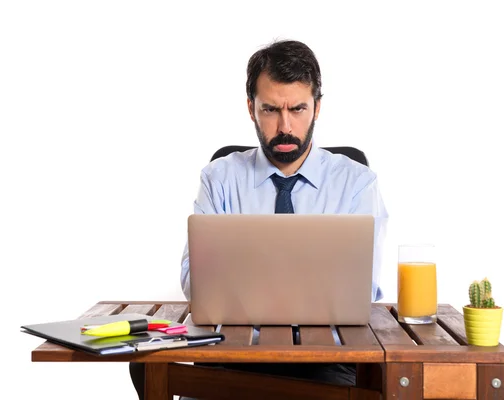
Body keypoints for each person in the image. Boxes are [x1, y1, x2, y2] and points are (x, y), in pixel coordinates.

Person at [130, 39, 388, 400]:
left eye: (297, 109)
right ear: (251, 108)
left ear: (317, 107)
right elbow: (195, 282)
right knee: (147, 366)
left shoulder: (357, 183)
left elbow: (364, 291)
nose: (285, 126)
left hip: (326, 361)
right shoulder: (219, 178)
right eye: (270, 110)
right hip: (228, 356)